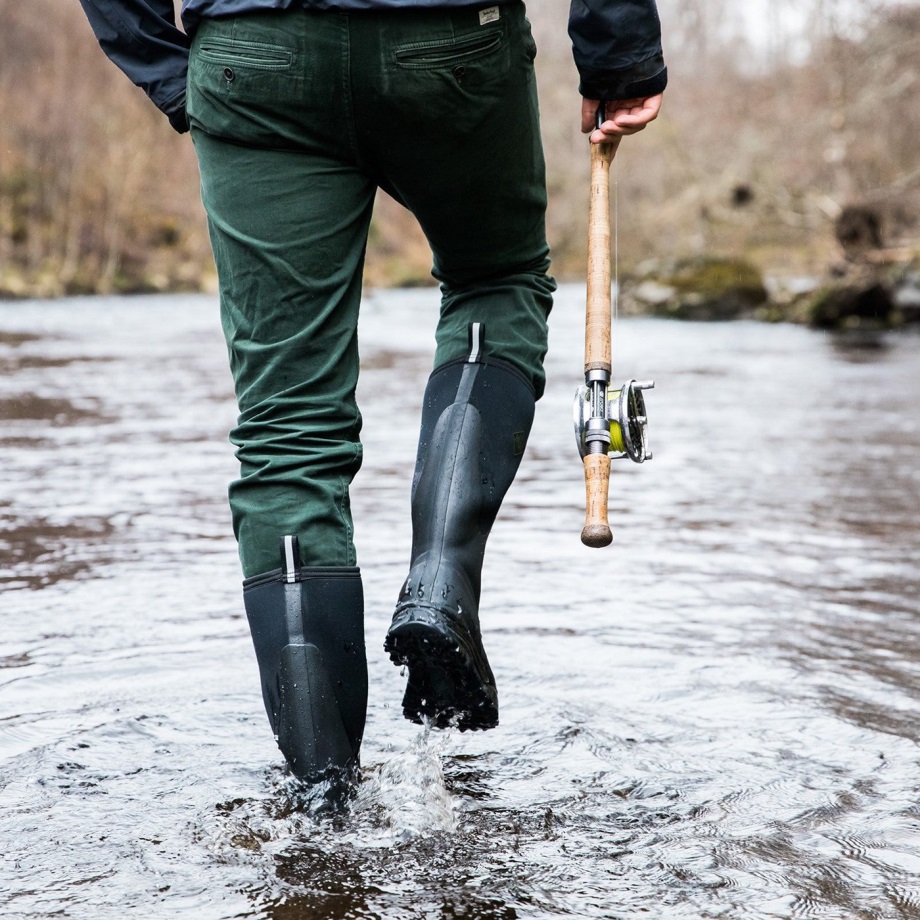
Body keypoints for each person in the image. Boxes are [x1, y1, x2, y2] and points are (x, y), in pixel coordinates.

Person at [77, 0, 666, 784]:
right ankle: (439, 580)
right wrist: (618, 54)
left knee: (287, 428)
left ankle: (324, 803)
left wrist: (168, 67)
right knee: (494, 282)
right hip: (452, 40)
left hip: (253, 54)